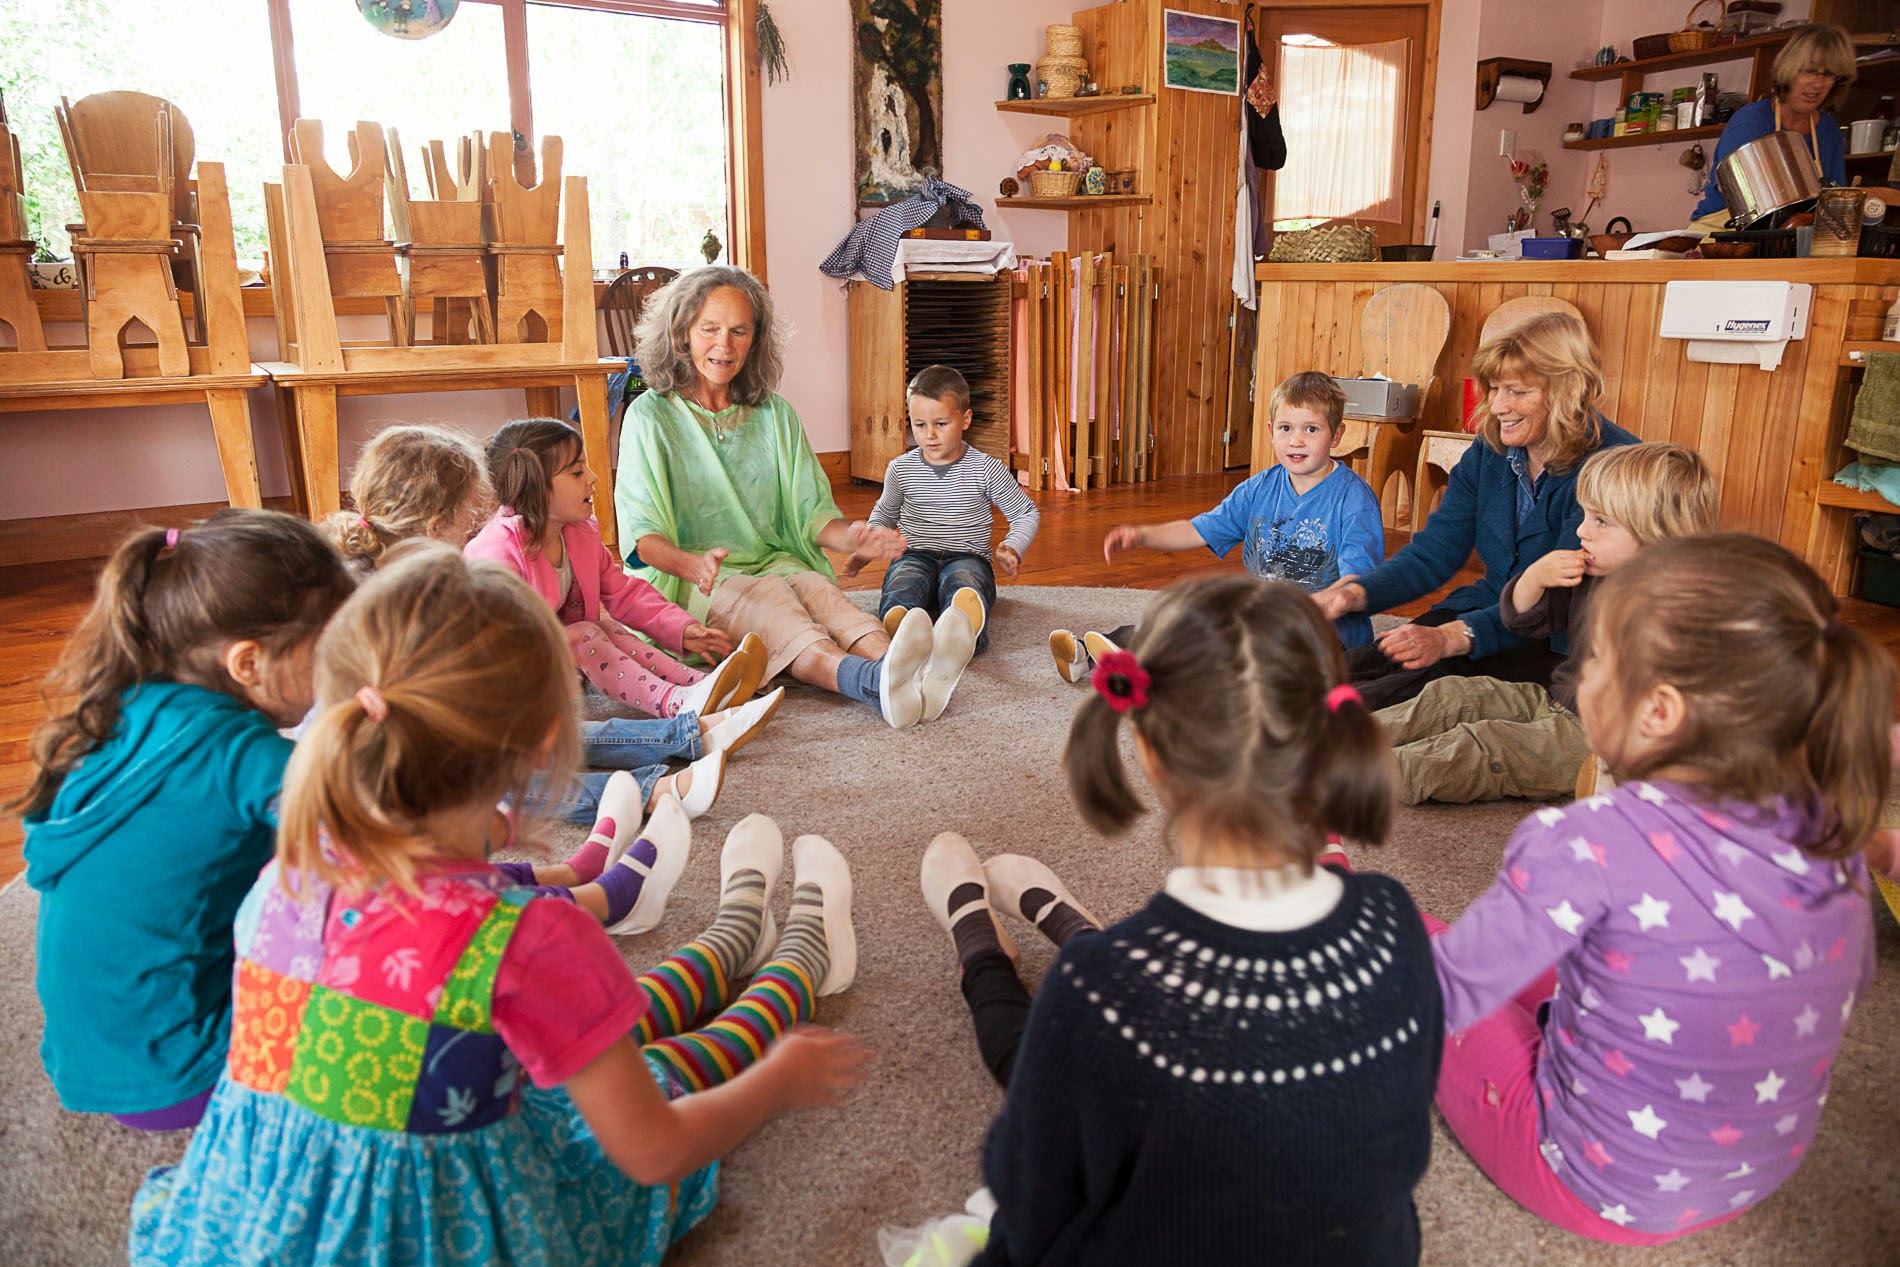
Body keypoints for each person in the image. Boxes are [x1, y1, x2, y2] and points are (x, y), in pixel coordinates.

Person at [128, 543, 869, 1266]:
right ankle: (793, 951)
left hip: (250, 1224)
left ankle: (742, 930)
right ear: (547, 743)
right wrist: (779, 1083)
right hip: (433, 1227)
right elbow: (654, 1150)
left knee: (573, 1038)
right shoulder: (526, 934)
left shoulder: (288, 870)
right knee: (651, 1077)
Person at [920, 574, 1443, 1266]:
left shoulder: (1099, 991)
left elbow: (1030, 1201)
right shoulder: (1394, 919)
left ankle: (983, 954)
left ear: (1149, 751)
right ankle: (1054, 926)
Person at [1427, 533, 1888, 1244]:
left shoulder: (1586, 839)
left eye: (1596, 662)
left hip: (1594, 1184)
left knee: (1415, 939)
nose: (1580, 680)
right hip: (1755, 1171)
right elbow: (1846, 982)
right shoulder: (1835, 831)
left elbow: (1442, 995)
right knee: (1606, 956)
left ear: (1660, 710)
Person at [15, 509, 355, 1130]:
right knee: (388, 955)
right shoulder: (241, 754)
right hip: (186, 1073)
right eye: (329, 651)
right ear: (247, 663)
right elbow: (371, 846)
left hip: (99, 1059)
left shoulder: (138, 707)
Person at [324, 423, 780, 825]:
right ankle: (654, 791)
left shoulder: (423, 581)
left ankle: (686, 728)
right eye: (467, 519)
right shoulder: (387, 603)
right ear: (436, 526)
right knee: (506, 776)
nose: (473, 530)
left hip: (443, 733)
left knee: (539, 735)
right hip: (393, 768)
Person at [614, 265, 976, 730]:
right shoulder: (649, 416)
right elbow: (641, 536)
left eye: (739, 331)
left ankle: (915, 673)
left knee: (825, 599)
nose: (724, 345)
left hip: (778, 559)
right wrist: (693, 565)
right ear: (682, 333)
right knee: (779, 614)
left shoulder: (774, 413)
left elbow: (811, 512)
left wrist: (853, 540)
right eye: (710, 329)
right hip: (700, 582)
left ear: (755, 339)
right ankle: (872, 683)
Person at [1313, 311, 1638, 709]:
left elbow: (1552, 606)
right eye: (1494, 388)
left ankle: (1306, 735)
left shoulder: (1613, 465)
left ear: (1565, 390)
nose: (1498, 405)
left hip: (1557, 642)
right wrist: (1355, 594)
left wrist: (1453, 637)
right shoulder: (1492, 449)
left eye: (1516, 391)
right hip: (1487, 606)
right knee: (1381, 656)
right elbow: (1436, 551)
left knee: (1422, 684)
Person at [1380, 443, 1716, 804]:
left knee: (1484, 745)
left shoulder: (1682, 609)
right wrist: (1534, 578)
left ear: (1658, 536)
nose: (1583, 532)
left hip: (1599, 742)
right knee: (1453, 694)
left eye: (1601, 521)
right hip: (1557, 699)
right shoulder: (1592, 573)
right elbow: (1523, 620)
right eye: (1585, 516)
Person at [1051, 372, 1382, 682]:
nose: (1296, 440)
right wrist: (1143, 534)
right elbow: (1200, 529)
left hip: (1327, 638)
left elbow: (1361, 578)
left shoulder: (1353, 500)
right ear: (1270, 431)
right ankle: (1090, 655)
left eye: (1311, 429)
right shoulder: (1258, 489)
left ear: (1336, 434)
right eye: (1286, 428)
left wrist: (1330, 602)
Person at [857, 365, 1039, 712]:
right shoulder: (900, 468)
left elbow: (1025, 513)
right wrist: (868, 542)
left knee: (965, 583)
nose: (929, 435)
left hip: (966, 556)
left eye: (941, 424)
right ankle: (901, 623)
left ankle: (961, 629)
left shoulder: (985, 468)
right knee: (904, 580)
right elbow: (884, 514)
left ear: (965, 419)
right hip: (915, 553)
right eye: (919, 425)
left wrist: (1014, 546)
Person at [1692, 23, 1855, 222]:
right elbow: (1739, 198)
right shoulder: (1751, 122)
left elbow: (1834, 197)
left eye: (1829, 74)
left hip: (1792, 237)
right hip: (1725, 231)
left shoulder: (1829, 130)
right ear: (1788, 69)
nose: (1818, 84)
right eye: (1809, 71)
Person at [319, 422, 494, 571]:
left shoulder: (347, 567)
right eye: (471, 521)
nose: (476, 528)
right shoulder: (422, 595)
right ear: (437, 526)